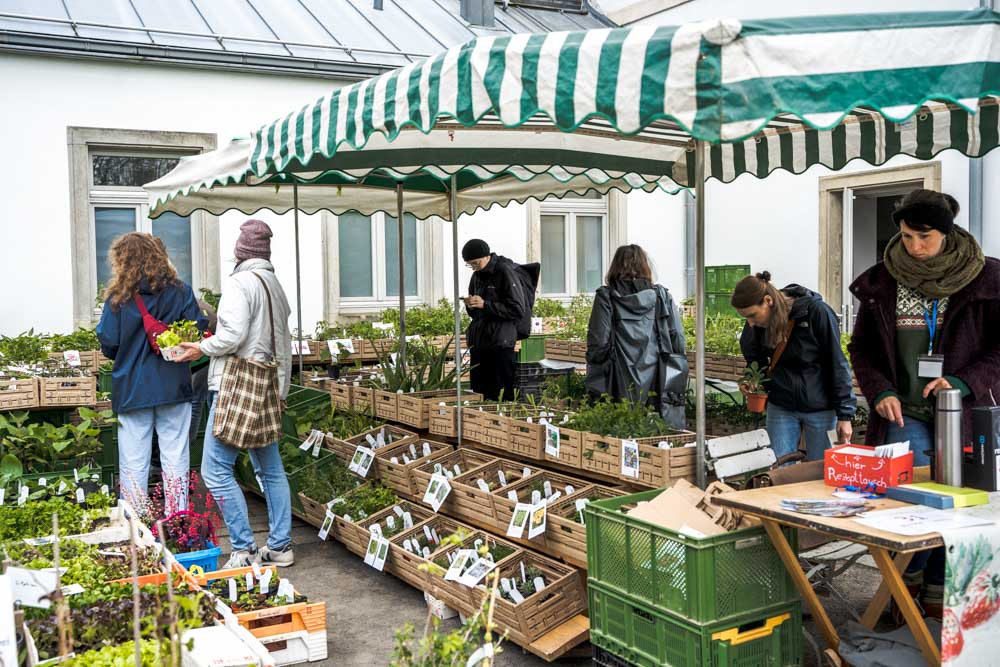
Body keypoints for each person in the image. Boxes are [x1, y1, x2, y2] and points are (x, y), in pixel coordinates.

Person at [848, 189, 1000, 618]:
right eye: (907, 236)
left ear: (946, 234)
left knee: (954, 504)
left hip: (965, 414)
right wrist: (880, 391)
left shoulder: (986, 278)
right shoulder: (883, 281)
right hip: (905, 414)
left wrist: (963, 381)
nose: (914, 246)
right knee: (908, 504)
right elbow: (861, 349)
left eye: (925, 237)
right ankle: (904, 583)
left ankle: (936, 585)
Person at [176, 220, 294, 569]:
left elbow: (232, 336)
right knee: (271, 470)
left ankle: (243, 549)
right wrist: (281, 389)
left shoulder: (240, 283)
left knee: (214, 470)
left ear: (239, 252)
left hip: (236, 386)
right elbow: (283, 344)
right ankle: (280, 546)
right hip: (267, 386)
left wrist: (200, 347)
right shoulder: (275, 286)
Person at [96, 233, 207, 516]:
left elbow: (108, 342)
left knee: (134, 461)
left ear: (122, 260)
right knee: (175, 455)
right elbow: (197, 328)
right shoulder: (181, 291)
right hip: (173, 384)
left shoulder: (117, 298)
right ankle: (177, 517)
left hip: (132, 387)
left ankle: (136, 521)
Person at [731, 272, 856, 461]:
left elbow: (837, 363)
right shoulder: (756, 324)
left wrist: (845, 415)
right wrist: (752, 380)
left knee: (821, 469)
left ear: (768, 301)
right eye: (746, 318)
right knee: (778, 468)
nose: (750, 323)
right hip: (781, 405)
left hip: (821, 407)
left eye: (752, 315)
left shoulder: (817, 312)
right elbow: (754, 359)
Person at [585, 245, 688, 428]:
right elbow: (678, 340)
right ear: (645, 267)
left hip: (616, 386)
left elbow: (598, 343)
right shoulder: (662, 297)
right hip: (658, 381)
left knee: (617, 434)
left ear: (614, 267)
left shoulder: (606, 297)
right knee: (655, 435)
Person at [462, 239, 539, 401]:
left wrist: (485, 304)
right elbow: (476, 313)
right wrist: (471, 305)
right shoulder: (476, 276)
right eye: (470, 265)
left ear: (487, 256)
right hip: (480, 342)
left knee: (501, 394)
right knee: (479, 394)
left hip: (500, 343)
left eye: (475, 263)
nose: (474, 268)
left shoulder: (505, 271)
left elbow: (517, 309)